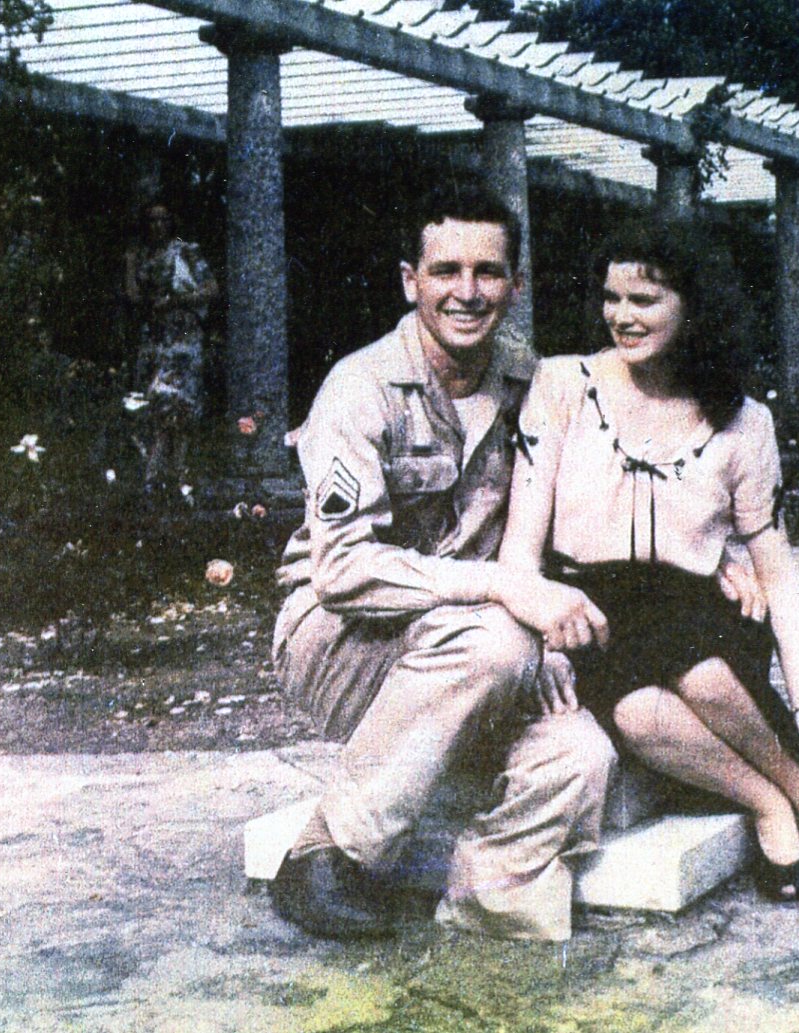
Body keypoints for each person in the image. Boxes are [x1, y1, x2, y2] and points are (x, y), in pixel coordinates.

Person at [269, 182, 619, 942]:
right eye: (445, 270)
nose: (467, 292)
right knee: (496, 643)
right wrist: (505, 590)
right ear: (411, 280)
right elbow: (344, 572)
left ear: (515, 285)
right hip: (341, 636)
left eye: (488, 272)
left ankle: (479, 894)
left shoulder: (532, 385)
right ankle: (327, 853)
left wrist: (728, 554)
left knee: (581, 753)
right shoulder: (360, 388)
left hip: (470, 648)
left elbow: (601, 497)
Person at [500, 220, 799, 903]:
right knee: (638, 712)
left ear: (693, 306)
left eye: (644, 300)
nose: (621, 316)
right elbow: (520, 546)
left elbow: (779, 570)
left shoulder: (743, 420)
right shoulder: (560, 385)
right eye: (611, 298)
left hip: (696, 612)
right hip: (593, 611)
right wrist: (536, 637)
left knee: (703, 674)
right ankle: (773, 800)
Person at [124, 202, 218, 490]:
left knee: (182, 406)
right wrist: (129, 265)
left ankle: (181, 473)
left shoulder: (185, 252)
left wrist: (178, 301)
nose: (157, 226)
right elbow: (135, 298)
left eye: (163, 220)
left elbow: (211, 289)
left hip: (184, 338)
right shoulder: (142, 257)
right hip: (157, 338)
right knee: (155, 406)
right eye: (152, 221)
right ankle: (154, 474)